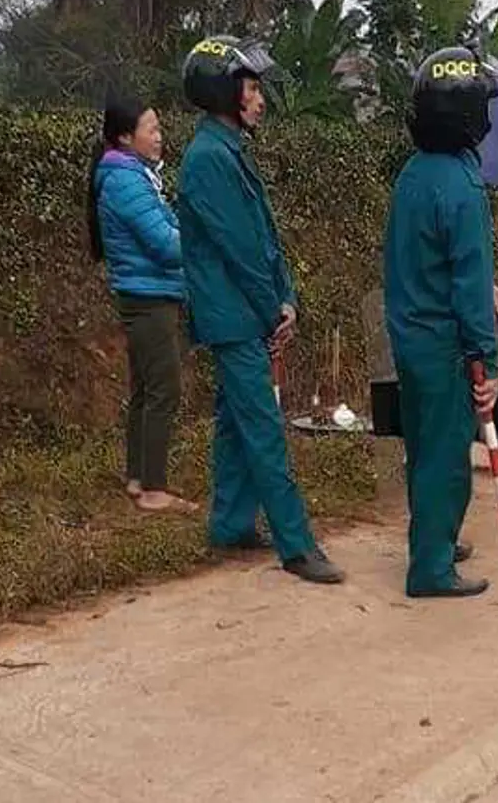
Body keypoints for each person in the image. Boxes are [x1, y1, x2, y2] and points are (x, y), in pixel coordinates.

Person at [176, 35, 343, 585]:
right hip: (235, 317)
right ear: (225, 92)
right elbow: (239, 250)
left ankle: (229, 525)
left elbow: (264, 237)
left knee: (233, 423)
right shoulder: (206, 160)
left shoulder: (228, 151)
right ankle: (297, 545)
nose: (261, 99)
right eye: (252, 88)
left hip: (249, 312)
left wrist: (287, 295)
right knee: (264, 428)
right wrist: (273, 308)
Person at [384, 45, 498, 599]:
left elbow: (435, 259)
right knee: (445, 457)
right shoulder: (462, 186)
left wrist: (484, 286)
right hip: (443, 343)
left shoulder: (417, 175)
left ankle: (433, 537)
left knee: (424, 445)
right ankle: (431, 569)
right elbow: (465, 278)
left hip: (411, 333)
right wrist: (489, 362)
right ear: (465, 114)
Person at [87, 94, 195, 515]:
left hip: (148, 293)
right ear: (124, 137)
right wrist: (202, 243)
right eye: (151, 129)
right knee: (164, 390)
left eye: (159, 127)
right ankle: (154, 488)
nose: (159, 136)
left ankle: (137, 478)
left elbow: (167, 226)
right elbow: (166, 245)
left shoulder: (135, 175)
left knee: (146, 390)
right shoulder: (126, 181)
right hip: (149, 297)